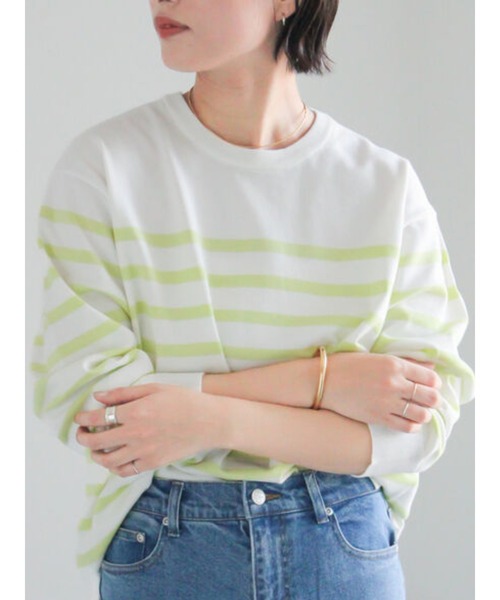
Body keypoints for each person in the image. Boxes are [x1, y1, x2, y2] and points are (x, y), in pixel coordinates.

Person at [30, 1, 474, 598]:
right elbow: (99, 414)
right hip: (169, 549)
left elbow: (417, 428)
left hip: (341, 547)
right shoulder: (103, 168)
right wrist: (325, 382)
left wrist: (207, 419)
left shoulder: (385, 188)